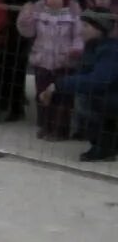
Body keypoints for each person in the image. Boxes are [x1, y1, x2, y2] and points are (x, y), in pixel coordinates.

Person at [42, 10, 118, 161]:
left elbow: (99, 80)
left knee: (90, 101)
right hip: (105, 96)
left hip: (111, 97)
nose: (81, 29)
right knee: (81, 96)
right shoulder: (93, 46)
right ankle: (103, 143)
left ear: (99, 29)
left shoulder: (110, 50)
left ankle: (105, 147)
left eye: (86, 26)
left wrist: (59, 85)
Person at [17, 0, 83, 140]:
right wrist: (25, 18)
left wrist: (76, 49)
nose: (53, 0)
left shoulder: (73, 16)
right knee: (42, 96)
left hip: (64, 62)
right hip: (42, 60)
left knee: (62, 98)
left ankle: (60, 130)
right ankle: (46, 125)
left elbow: (79, 35)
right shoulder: (40, 14)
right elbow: (28, 32)